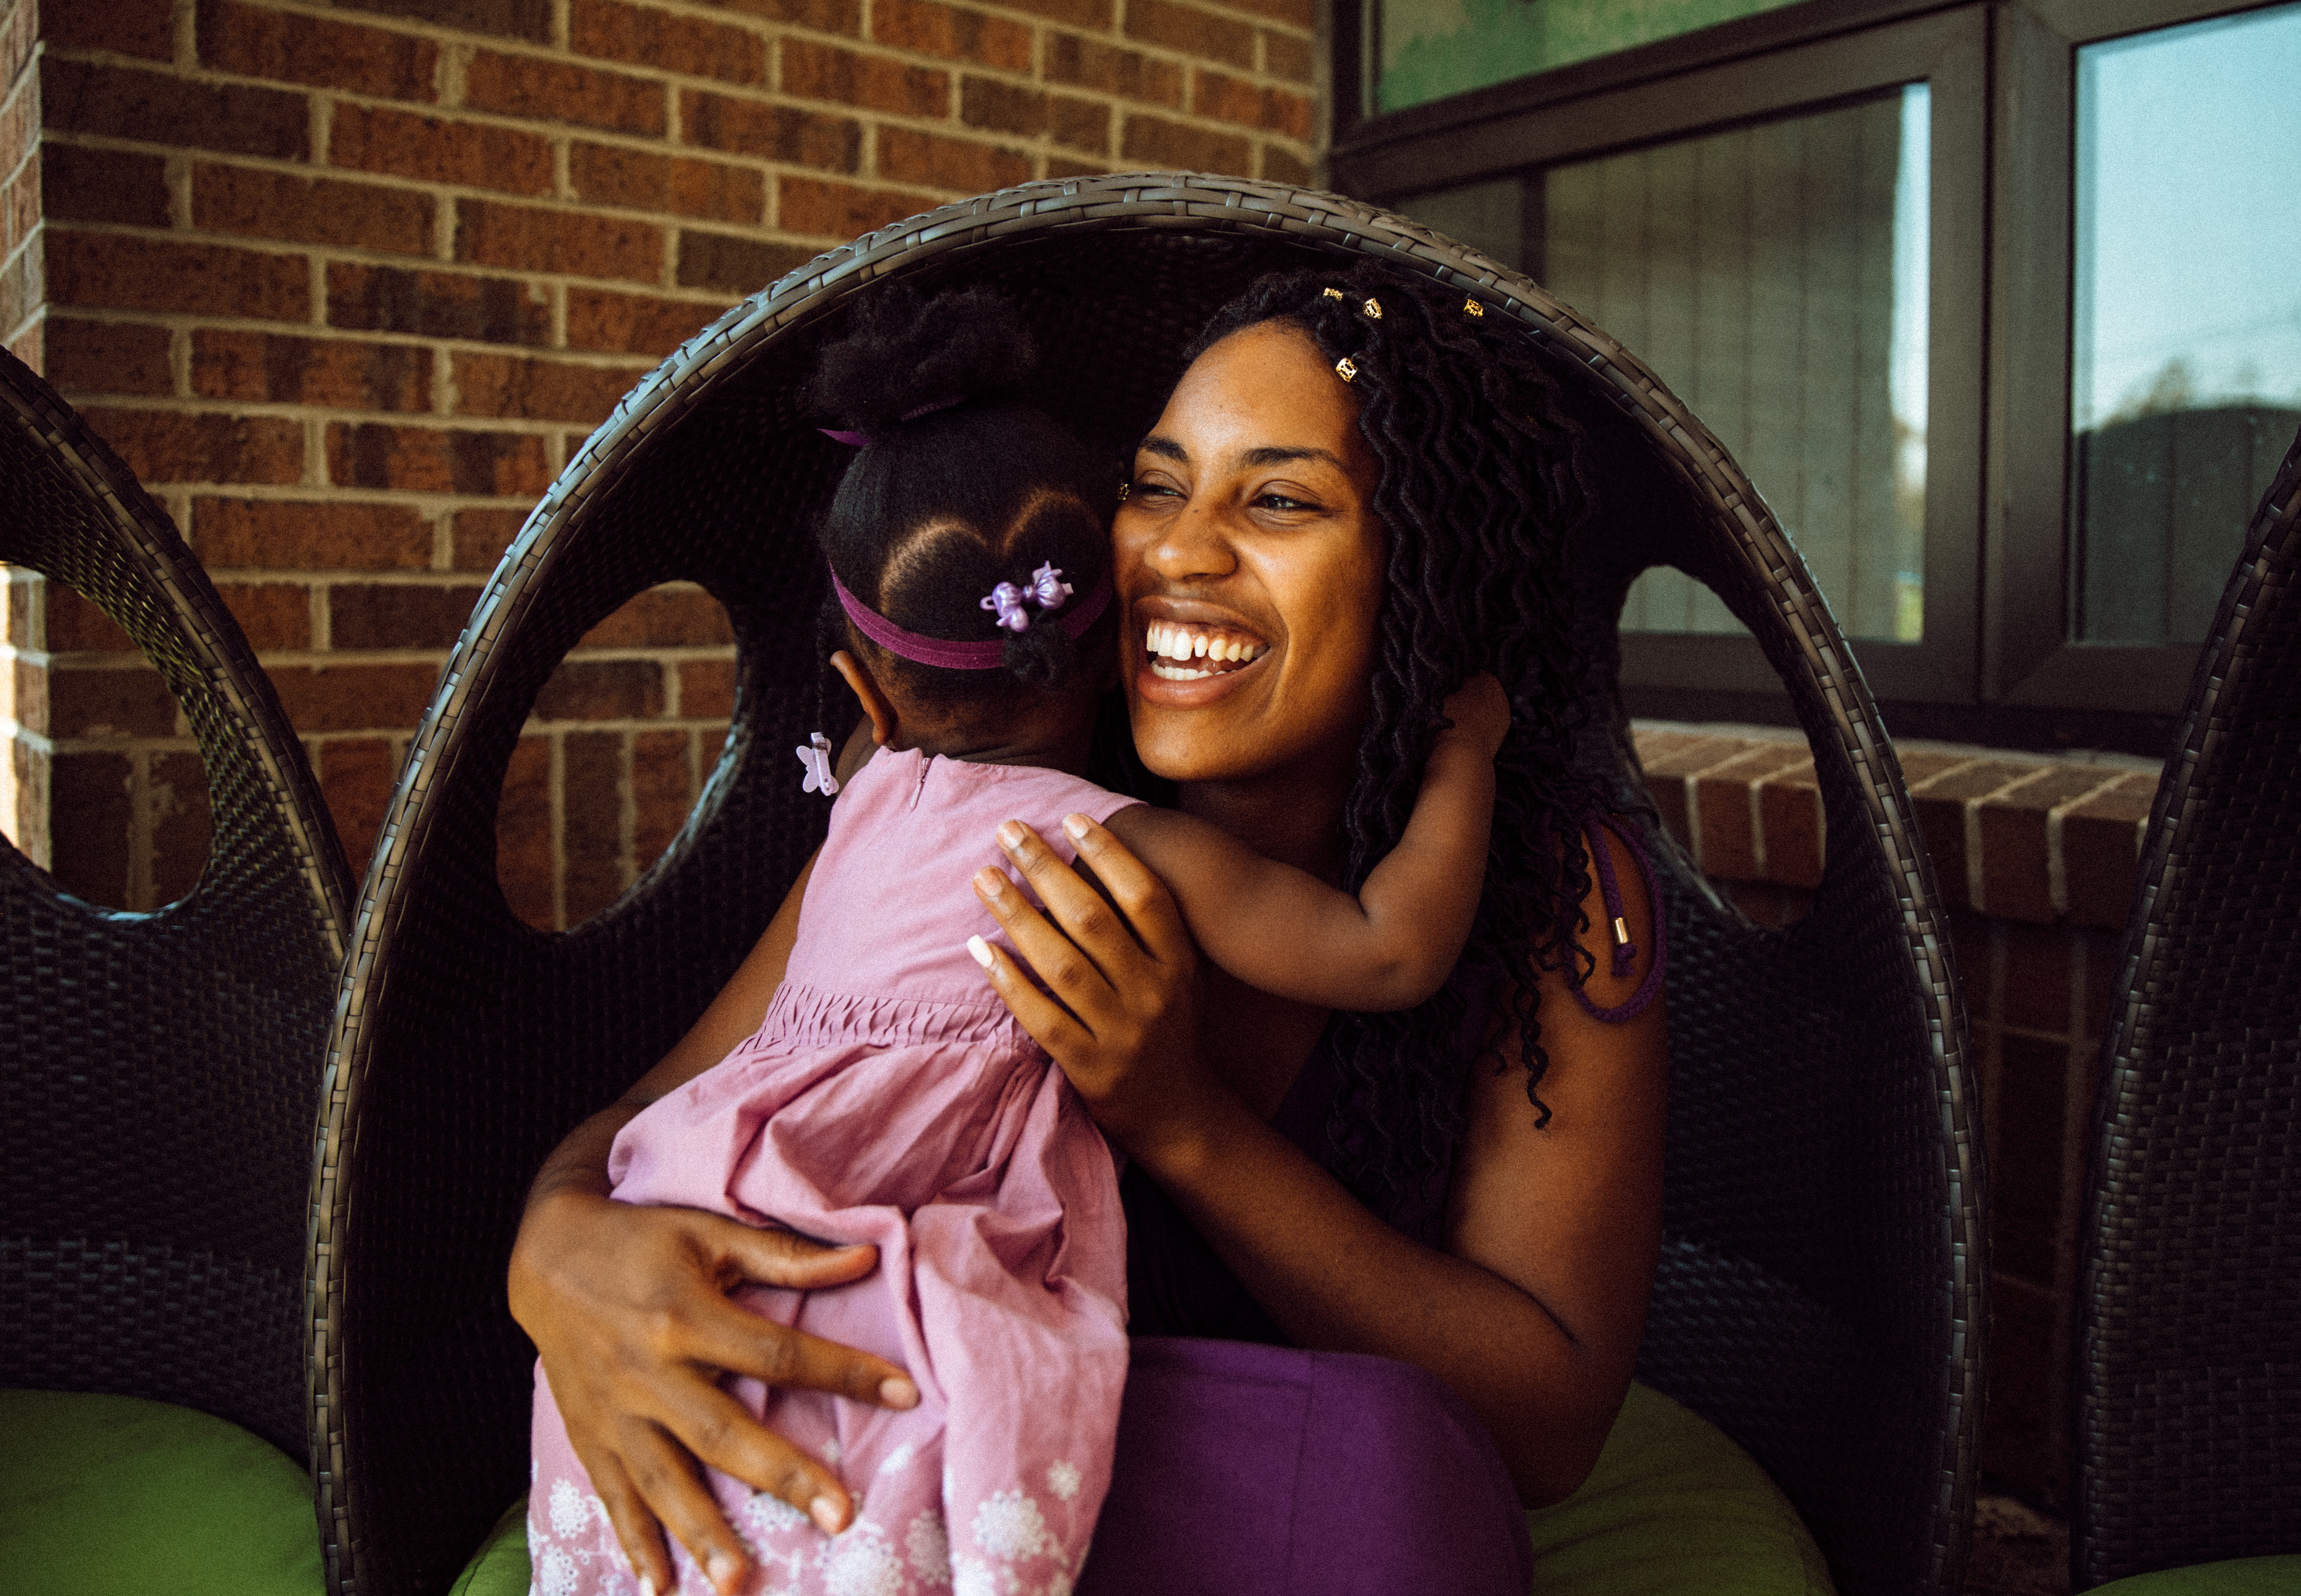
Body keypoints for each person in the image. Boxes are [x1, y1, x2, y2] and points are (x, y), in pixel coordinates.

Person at [508, 261, 1670, 1596]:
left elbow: (1547, 1423)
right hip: (932, 1471)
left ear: (1430, 564)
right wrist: (554, 1248)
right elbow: (661, 1116)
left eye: (1279, 498)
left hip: (1187, 1492)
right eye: (1156, 484)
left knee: (1391, 1478)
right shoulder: (994, 823)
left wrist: (1179, 1121)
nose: (1177, 551)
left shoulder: (1540, 886)